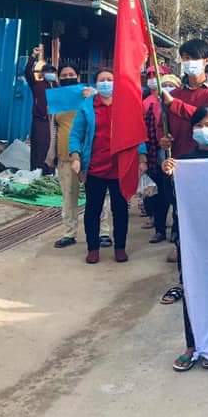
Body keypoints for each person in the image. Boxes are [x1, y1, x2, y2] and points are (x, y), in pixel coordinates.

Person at [162, 105, 208, 372]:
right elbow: (170, 200)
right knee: (191, 287)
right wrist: (167, 174)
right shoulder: (183, 162)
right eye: (199, 125)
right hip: (191, 238)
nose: (204, 130)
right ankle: (193, 345)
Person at [159, 39, 208, 257]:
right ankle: (181, 248)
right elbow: (166, 127)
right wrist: (165, 139)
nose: (188, 63)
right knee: (182, 209)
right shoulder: (176, 94)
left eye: (192, 58)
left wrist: (174, 105)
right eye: (185, 58)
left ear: (206, 61)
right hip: (181, 161)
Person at [69, 68, 146, 265]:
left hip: (120, 168)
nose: (105, 83)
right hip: (95, 166)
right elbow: (76, 134)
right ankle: (93, 248)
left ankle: (120, 247)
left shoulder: (125, 106)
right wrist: (76, 156)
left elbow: (137, 133)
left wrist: (142, 157)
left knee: (120, 209)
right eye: (102, 80)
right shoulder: (88, 106)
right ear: (95, 84)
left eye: (109, 79)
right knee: (93, 210)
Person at [47, 63, 113, 249]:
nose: (68, 76)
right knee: (68, 196)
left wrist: (92, 93)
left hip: (90, 156)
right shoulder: (56, 102)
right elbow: (53, 129)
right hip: (65, 156)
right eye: (64, 74)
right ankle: (69, 232)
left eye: (71, 74)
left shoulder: (90, 96)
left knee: (99, 197)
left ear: (78, 76)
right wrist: (51, 153)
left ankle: (103, 232)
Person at [143, 72, 181, 245]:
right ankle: (159, 230)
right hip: (158, 156)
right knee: (160, 196)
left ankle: (176, 231)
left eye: (171, 85)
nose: (167, 89)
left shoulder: (180, 107)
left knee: (176, 197)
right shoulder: (153, 107)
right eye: (164, 85)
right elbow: (148, 133)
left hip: (177, 157)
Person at [24, 47, 58, 175]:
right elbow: (27, 72)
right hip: (40, 120)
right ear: (43, 74)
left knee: (52, 147)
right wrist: (33, 56)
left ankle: (50, 173)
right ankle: (36, 173)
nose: (50, 74)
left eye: (52, 72)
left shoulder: (57, 87)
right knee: (39, 147)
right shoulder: (37, 85)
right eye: (47, 71)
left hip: (54, 122)